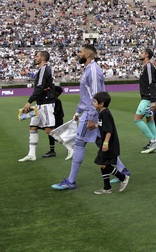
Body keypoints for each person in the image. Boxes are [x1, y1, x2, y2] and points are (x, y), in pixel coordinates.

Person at [52, 44, 129, 190]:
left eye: (80, 52)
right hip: (89, 112)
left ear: (88, 54)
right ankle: (123, 170)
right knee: (100, 143)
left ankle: (71, 181)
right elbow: (86, 96)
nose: (78, 54)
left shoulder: (93, 70)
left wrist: (91, 118)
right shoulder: (89, 69)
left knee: (79, 144)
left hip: (91, 114)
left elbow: (96, 96)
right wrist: (78, 112)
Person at [19, 51, 57, 162]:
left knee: (49, 130)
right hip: (40, 104)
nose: (35, 58)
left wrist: (29, 102)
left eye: (37, 56)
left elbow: (40, 87)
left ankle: (70, 146)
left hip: (46, 104)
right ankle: (31, 154)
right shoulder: (43, 69)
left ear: (43, 58)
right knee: (33, 127)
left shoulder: (44, 68)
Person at [92, 92, 129, 194]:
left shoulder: (105, 113)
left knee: (103, 164)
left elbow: (109, 130)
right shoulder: (102, 113)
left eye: (95, 101)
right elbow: (103, 125)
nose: (93, 103)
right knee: (102, 163)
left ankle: (123, 177)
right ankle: (107, 188)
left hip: (109, 144)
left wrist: (105, 143)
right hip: (106, 143)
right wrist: (95, 126)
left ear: (101, 103)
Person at [135, 48, 156, 153]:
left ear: (146, 55)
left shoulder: (149, 66)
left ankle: (153, 141)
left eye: (142, 53)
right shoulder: (146, 67)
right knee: (150, 120)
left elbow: (152, 83)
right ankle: (154, 147)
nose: (140, 54)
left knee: (137, 120)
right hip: (148, 98)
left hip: (147, 99)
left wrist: (152, 100)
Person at [43, 85, 74, 159]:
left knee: (55, 135)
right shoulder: (52, 100)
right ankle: (53, 150)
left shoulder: (57, 101)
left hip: (57, 120)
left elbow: (56, 111)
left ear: (56, 93)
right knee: (52, 135)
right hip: (53, 119)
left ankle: (69, 145)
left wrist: (46, 112)